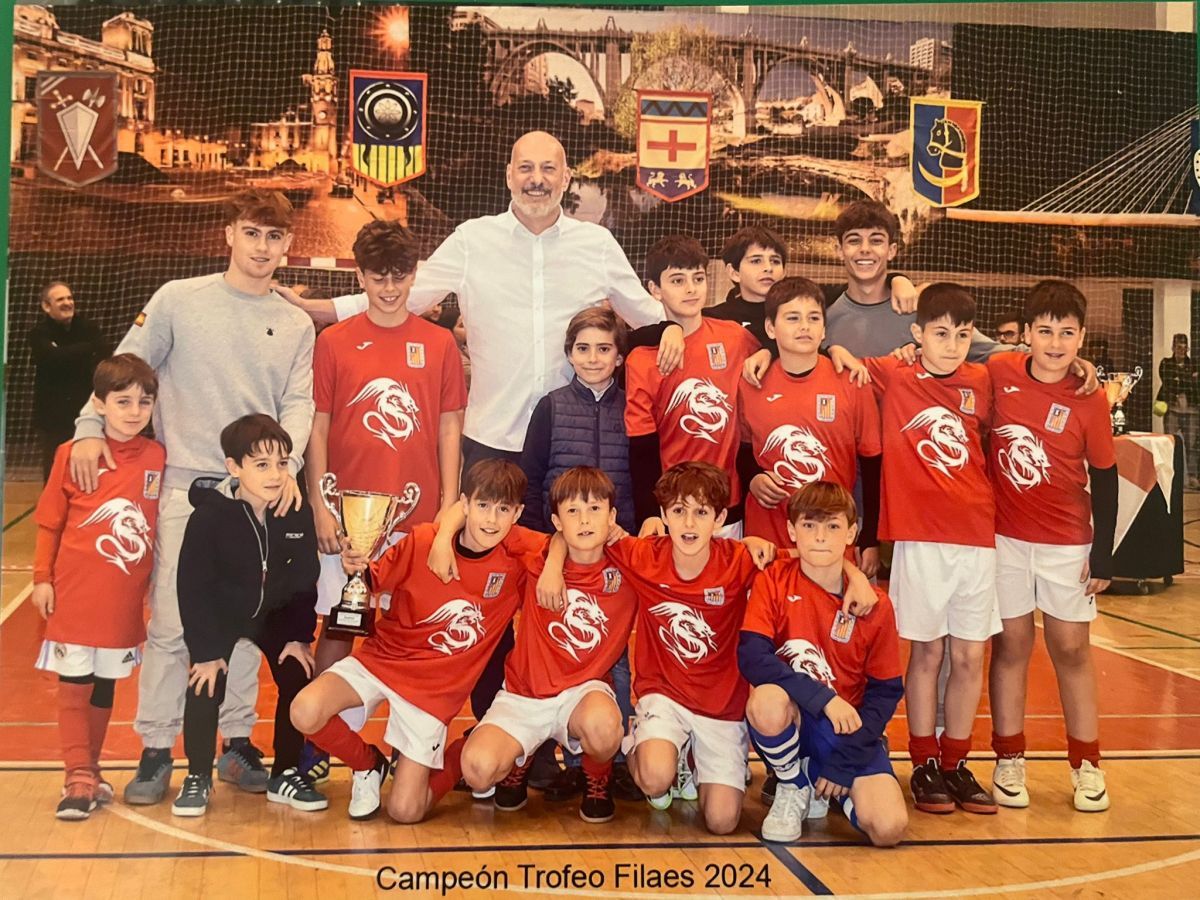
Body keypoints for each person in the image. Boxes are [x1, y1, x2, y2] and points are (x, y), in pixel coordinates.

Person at [68, 189, 316, 806]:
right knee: (175, 627)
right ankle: (156, 748)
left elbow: (298, 404)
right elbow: (126, 367)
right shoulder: (178, 299)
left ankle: (236, 743)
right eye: (252, 233)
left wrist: (286, 468)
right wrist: (89, 425)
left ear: (288, 245)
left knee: (248, 623)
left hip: (256, 496)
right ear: (229, 234)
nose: (262, 247)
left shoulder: (295, 323)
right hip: (187, 493)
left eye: (274, 237)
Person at [280, 130, 683, 475]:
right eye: (526, 168)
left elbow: (648, 318)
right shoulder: (472, 240)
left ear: (566, 178)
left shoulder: (597, 245)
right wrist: (319, 308)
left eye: (548, 169)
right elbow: (403, 298)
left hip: (572, 442)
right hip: (491, 439)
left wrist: (675, 329)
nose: (536, 179)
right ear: (509, 176)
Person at [300, 220, 466, 782]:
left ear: (414, 275)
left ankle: (406, 750)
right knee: (340, 624)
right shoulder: (333, 342)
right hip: (348, 519)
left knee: (410, 631)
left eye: (399, 276)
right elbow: (318, 427)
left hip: (415, 520)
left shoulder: (438, 343)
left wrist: (448, 509)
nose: (390, 289)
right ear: (361, 277)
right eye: (378, 277)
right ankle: (319, 750)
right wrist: (320, 505)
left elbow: (449, 428)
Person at [289, 460, 544, 823]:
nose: (491, 519)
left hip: (434, 692)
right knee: (305, 710)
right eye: (483, 505)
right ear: (464, 504)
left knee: (406, 811)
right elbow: (372, 581)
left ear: (517, 514)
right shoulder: (424, 540)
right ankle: (368, 764)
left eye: (504, 510)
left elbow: (563, 544)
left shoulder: (518, 558)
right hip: (383, 660)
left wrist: (555, 566)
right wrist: (355, 562)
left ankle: (466, 746)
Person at [862, 283, 999, 816]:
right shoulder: (894, 374)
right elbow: (837, 357)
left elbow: (1029, 365)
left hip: (977, 537)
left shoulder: (982, 380)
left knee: (969, 656)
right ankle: (922, 763)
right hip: (920, 539)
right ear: (917, 334)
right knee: (927, 653)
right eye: (940, 334)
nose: (952, 345)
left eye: (962, 335)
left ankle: (956, 763)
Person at [986, 281, 1118, 813]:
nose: (1056, 343)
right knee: (1011, 646)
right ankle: (1008, 758)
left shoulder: (1090, 398)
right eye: (1045, 331)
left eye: (1067, 333)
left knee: (1071, 649)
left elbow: (1105, 477)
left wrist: (1104, 553)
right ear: (1026, 334)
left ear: (1081, 337)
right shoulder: (999, 372)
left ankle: (1087, 764)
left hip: (1067, 543)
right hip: (1005, 540)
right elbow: (946, 354)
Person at [459, 467, 639, 823]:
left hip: (582, 695)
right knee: (478, 770)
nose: (584, 520)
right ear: (556, 521)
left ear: (612, 517)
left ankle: (597, 779)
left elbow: (681, 547)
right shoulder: (537, 553)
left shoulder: (630, 563)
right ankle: (521, 758)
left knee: (606, 729)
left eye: (595, 509)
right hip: (525, 695)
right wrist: (553, 562)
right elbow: (469, 515)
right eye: (572, 511)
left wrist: (754, 544)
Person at [31, 354, 164, 820]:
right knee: (74, 682)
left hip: (122, 600)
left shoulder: (158, 457)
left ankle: (91, 769)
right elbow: (50, 521)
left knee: (104, 684)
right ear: (99, 403)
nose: (134, 411)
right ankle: (77, 776)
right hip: (74, 592)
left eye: (144, 402)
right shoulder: (73, 453)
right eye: (122, 401)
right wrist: (41, 578)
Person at [739, 481, 906, 846]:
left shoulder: (874, 604)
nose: (819, 537)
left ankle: (827, 785)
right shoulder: (773, 579)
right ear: (791, 530)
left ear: (851, 532)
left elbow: (886, 692)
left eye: (832, 526)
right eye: (809, 525)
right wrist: (824, 699)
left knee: (888, 828)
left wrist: (844, 763)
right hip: (795, 718)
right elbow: (753, 657)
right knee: (765, 700)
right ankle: (792, 783)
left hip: (847, 729)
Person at [517, 308, 640, 802]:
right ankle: (548, 755)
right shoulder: (550, 406)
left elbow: (641, 476)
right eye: (583, 348)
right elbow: (531, 480)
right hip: (560, 554)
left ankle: (614, 760)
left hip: (615, 553)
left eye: (604, 349)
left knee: (618, 654)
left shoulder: (634, 406)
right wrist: (548, 552)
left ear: (620, 356)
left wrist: (628, 535)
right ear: (569, 354)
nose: (593, 358)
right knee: (556, 647)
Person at [172, 415, 323, 817]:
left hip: (272, 616)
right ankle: (198, 775)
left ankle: (285, 773)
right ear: (233, 467)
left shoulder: (295, 512)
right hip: (222, 614)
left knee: (297, 672)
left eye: (282, 463)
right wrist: (206, 651)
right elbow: (193, 589)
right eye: (261, 465)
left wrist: (298, 635)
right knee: (205, 681)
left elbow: (305, 578)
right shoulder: (208, 518)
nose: (275, 474)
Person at [736, 276, 882, 563]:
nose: (804, 326)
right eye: (793, 318)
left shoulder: (852, 380)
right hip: (767, 541)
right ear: (770, 328)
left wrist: (870, 537)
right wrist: (753, 477)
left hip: (831, 540)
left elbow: (872, 464)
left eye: (813, 318)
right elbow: (740, 449)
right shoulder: (751, 382)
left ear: (824, 329)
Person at [625, 236, 761, 533]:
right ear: (655, 290)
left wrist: (769, 352)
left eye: (698, 278)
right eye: (677, 280)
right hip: (673, 508)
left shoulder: (735, 338)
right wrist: (649, 512)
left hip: (727, 506)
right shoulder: (642, 358)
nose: (690, 288)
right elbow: (641, 447)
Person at [27, 280, 110, 480]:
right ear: (46, 306)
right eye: (60, 299)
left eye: (69, 298)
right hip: (52, 416)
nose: (67, 303)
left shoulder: (88, 327)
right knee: (54, 469)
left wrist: (65, 353)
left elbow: (104, 351)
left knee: (87, 469)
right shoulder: (38, 333)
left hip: (86, 410)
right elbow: (53, 358)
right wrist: (87, 349)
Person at [1157, 333, 1199, 487]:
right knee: (1170, 443)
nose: (1181, 350)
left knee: (1192, 445)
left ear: (1187, 348)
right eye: (1178, 347)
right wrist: (1187, 379)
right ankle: (1169, 476)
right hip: (1172, 408)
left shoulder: (1194, 364)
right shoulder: (1166, 363)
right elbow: (1168, 382)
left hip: (1192, 410)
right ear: (1173, 347)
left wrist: (1180, 379)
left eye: (1184, 348)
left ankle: (1192, 477)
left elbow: (1194, 385)